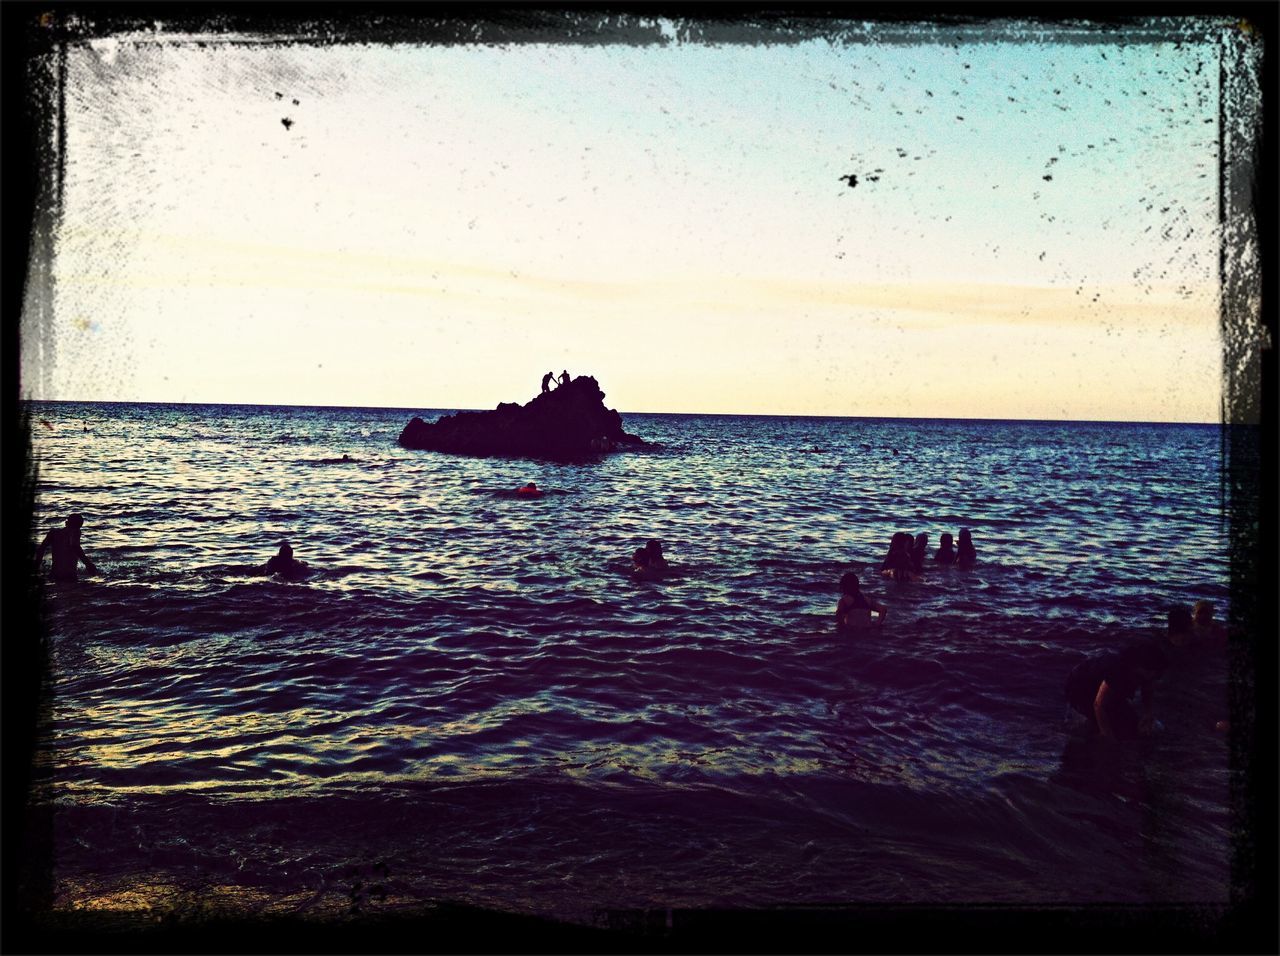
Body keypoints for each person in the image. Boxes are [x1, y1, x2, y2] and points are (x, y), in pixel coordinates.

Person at [1063, 640, 1167, 740]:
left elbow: (1147, 690)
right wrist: (1107, 736)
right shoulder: (1118, 670)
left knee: (1131, 723)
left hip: (1104, 686)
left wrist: (1148, 713)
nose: (1157, 677)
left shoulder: (1146, 674)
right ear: (1141, 667)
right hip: (1079, 687)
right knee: (1111, 730)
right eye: (1155, 674)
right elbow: (1099, 705)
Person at [35, 513, 98, 582]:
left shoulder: (53, 533)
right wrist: (88, 564)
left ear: (66, 523)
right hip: (69, 575)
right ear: (80, 525)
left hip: (54, 574)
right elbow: (75, 546)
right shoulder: (76, 531)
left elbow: (41, 549)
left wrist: (37, 567)